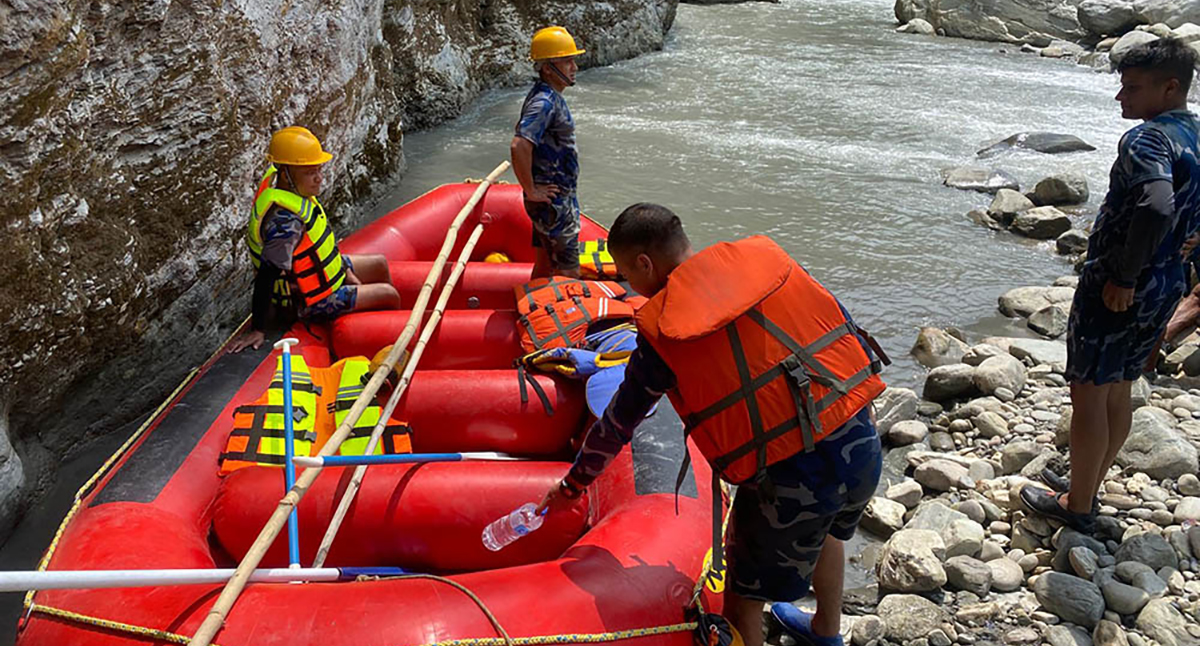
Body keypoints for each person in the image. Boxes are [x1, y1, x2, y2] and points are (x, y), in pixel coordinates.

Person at [537, 204, 888, 646]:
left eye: (627, 273)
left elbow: (619, 422)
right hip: (860, 442)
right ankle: (825, 632)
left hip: (794, 478)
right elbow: (842, 330)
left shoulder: (664, 331)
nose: (630, 283)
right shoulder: (767, 264)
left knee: (743, 597)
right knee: (832, 530)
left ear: (644, 264)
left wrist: (573, 485)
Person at [1021, 39, 1200, 533]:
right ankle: (1087, 485)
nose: (1121, 97)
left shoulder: (1149, 139)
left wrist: (1122, 277)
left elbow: (1156, 204)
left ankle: (1076, 505)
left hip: (1120, 286)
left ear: (1170, 87)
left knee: (1089, 395)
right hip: (1166, 282)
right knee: (1118, 389)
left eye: (1133, 88)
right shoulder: (1195, 133)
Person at [229, 126, 401, 353]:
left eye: (319, 169)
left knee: (379, 263)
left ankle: (376, 328)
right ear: (286, 175)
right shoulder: (285, 224)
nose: (319, 178)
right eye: (310, 172)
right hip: (305, 301)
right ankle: (391, 345)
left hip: (320, 276)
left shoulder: (290, 190)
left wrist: (345, 274)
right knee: (388, 294)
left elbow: (320, 252)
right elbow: (266, 277)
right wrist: (258, 329)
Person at [510, 26, 585, 280]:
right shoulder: (544, 103)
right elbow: (519, 145)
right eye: (567, 61)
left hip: (551, 201)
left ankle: (533, 302)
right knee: (568, 271)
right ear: (547, 68)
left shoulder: (546, 96)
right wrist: (532, 190)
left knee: (544, 264)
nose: (574, 67)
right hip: (554, 202)